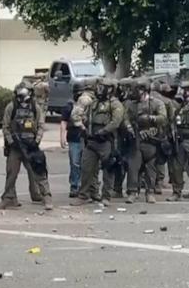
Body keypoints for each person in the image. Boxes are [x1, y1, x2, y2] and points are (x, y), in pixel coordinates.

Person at [0, 83, 53, 210]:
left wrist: (36, 141)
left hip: (31, 146)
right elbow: (5, 127)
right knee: (11, 173)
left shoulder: (35, 107)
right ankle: (9, 198)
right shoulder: (11, 107)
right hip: (16, 147)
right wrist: (11, 141)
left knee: (38, 171)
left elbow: (41, 125)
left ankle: (46, 196)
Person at [71, 78, 124, 206]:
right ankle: (84, 195)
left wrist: (103, 131)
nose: (99, 89)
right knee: (86, 168)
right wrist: (83, 128)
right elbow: (84, 116)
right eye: (99, 87)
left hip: (106, 141)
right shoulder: (93, 102)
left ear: (110, 89)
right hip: (91, 140)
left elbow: (116, 122)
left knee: (108, 169)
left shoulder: (115, 104)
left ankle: (106, 196)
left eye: (103, 87)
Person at [123, 77, 167, 204]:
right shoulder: (131, 104)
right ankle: (132, 192)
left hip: (151, 139)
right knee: (133, 166)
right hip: (136, 139)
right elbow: (125, 117)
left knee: (150, 168)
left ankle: (150, 192)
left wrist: (150, 118)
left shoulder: (156, 103)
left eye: (137, 89)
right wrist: (129, 127)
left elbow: (163, 118)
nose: (134, 92)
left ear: (144, 90)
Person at [61, 81, 85, 197]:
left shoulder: (87, 104)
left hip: (86, 138)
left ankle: (84, 187)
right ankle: (75, 186)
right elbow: (63, 122)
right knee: (75, 163)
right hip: (73, 138)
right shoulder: (69, 106)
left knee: (85, 163)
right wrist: (62, 138)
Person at [151, 80, 175, 194]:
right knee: (160, 159)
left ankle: (147, 182)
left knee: (147, 158)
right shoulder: (167, 101)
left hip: (147, 132)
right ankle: (158, 183)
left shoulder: (145, 100)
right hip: (162, 133)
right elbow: (171, 118)